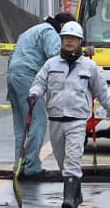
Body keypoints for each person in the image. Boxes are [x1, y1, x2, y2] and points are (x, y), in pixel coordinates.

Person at [27, 21, 110, 208]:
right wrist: (34, 94)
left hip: (77, 121)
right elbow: (39, 83)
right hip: (56, 120)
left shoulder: (90, 67)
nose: (69, 42)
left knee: (72, 160)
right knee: (62, 162)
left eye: (73, 39)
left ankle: (67, 200)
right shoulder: (50, 64)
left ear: (80, 42)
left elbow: (102, 93)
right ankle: (75, 194)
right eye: (66, 38)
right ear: (61, 40)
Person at [7, 12, 75, 177]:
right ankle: (32, 167)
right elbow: (56, 55)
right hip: (27, 77)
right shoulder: (49, 32)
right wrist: (78, 55)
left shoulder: (34, 30)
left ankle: (20, 166)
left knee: (22, 127)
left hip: (13, 76)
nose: (68, 39)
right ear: (62, 27)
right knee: (38, 121)